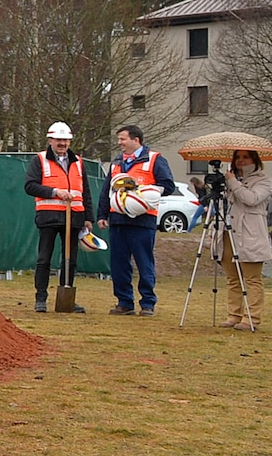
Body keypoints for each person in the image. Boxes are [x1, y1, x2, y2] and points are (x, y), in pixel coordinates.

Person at [97, 123, 178, 317]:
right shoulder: (117, 163)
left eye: (123, 139)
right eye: (119, 139)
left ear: (136, 140)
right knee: (119, 264)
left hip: (143, 221)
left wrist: (143, 193)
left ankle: (148, 303)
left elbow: (167, 185)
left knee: (144, 262)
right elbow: (107, 190)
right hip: (118, 220)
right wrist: (102, 215)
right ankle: (124, 302)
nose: (120, 143)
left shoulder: (154, 159)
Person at [23, 121, 95, 314]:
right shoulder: (39, 160)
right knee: (44, 259)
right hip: (48, 217)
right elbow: (30, 186)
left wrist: (89, 217)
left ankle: (67, 299)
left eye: (65, 140)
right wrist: (55, 192)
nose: (62, 144)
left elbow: (85, 191)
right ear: (50, 140)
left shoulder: (79, 162)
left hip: (75, 218)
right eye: (58, 140)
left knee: (70, 260)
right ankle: (41, 298)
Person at [219, 150, 272, 328]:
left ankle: (252, 317)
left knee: (252, 278)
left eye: (245, 157)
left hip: (250, 233)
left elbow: (251, 198)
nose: (241, 161)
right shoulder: (231, 180)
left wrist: (233, 182)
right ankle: (233, 315)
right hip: (229, 232)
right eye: (237, 157)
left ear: (254, 159)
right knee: (232, 277)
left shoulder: (264, 180)